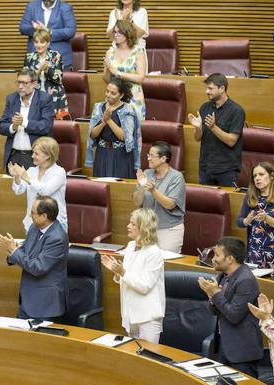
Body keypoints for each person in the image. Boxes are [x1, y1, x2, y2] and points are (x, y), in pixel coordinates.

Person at [0, 195, 68, 321]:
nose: (30, 216)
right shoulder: (34, 228)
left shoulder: (57, 238)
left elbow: (37, 267)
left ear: (44, 216)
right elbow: (24, 250)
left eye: (33, 213)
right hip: (27, 299)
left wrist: (13, 250)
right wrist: (11, 251)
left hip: (45, 305)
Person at [197, 237, 262, 377]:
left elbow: (234, 315)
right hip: (224, 345)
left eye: (217, 255)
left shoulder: (246, 281)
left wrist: (214, 293)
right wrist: (212, 296)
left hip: (242, 351)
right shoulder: (222, 275)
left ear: (230, 259)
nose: (213, 259)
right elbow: (215, 311)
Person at [101, 208, 165, 343]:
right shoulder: (130, 246)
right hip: (130, 313)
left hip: (148, 317)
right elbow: (127, 279)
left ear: (143, 228)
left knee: (148, 359)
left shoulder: (154, 253)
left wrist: (122, 272)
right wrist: (117, 272)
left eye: (133, 224)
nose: (128, 226)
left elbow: (144, 286)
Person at [188, 73, 245, 187]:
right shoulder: (205, 107)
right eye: (206, 88)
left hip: (226, 171)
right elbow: (197, 138)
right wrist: (198, 127)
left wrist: (213, 127)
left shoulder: (236, 111)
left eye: (210, 88)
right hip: (205, 168)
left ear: (222, 89)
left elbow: (231, 141)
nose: (207, 91)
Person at [237, 162, 274, 269]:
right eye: (255, 176)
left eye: (261, 174)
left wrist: (267, 218)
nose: (257, 178)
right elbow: (239, 222)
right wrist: (247, 220)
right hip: (254, 251)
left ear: (272, 176)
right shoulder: (250, 196)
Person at [132, 141, 185, 253]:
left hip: (169, 230)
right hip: (147, 229)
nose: (148, 158)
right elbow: (137, 202)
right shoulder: (147, 173)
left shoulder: (177, 177)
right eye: (148, 155)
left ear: (163, 158)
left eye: (152, 155)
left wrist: (153, 191)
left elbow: (170, 204)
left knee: (166, 266)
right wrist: (141, 187)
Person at [0, 69, 54, 171]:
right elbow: (1, 126)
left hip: (35, 158)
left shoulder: (44, 99)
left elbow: (46, 126)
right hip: (14, 156)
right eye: (19, 82)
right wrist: (13, 126)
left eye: (24, 83)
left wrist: (23, 122)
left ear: (34, 84)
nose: (20, 87)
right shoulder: (11, 99)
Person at [9, 136, 67, 232]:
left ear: (48, 155)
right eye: (33, 153)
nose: (32, 156)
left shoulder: (59, 172)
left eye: (36, 154)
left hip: (54, 225)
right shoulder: (32, 171)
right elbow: (19, 190)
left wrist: (27, 178)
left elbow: (46, 191)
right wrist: (17, 176)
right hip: (32, 223)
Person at [86, 78, 141, 179]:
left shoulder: (128, 110)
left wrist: (109, 120)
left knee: (118, 190)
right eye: (107, 91)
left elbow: (124, 136)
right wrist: (103, 123)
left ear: (121, 95)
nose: (108, 95)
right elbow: (92, 134)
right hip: (102, 153)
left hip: (120, 154)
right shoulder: (98, 107)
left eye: (113, 93)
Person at [103, 19, 146, 122]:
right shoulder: (110, 52)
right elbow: (106, 79)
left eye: (120, 32)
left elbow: (140, 78)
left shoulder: (138, 52)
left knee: (133, 132)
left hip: (134, 97)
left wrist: (118, 73)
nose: (116, 35)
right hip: (114, 97)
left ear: (128, 33)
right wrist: (108, 70)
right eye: (115, 32)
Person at [23, 29, 69, 120]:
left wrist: (48, 69)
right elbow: (25, 81)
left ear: (48, 43)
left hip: (56, 100)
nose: (39, 45)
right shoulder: (29, 58)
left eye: (42, 42)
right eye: (36, 42)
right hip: (35, 99)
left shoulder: (56, 56)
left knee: (57, 129)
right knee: (36, 126)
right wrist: (39, 71)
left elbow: (58, 79)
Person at [19, 0, 76, 71]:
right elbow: (22, 28)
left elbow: (70, 31)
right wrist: (35, 28)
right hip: (35, 58)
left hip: (60, 59)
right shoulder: (32, 7)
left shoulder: (65, 8)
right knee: (32, 81)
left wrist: (48, 31)